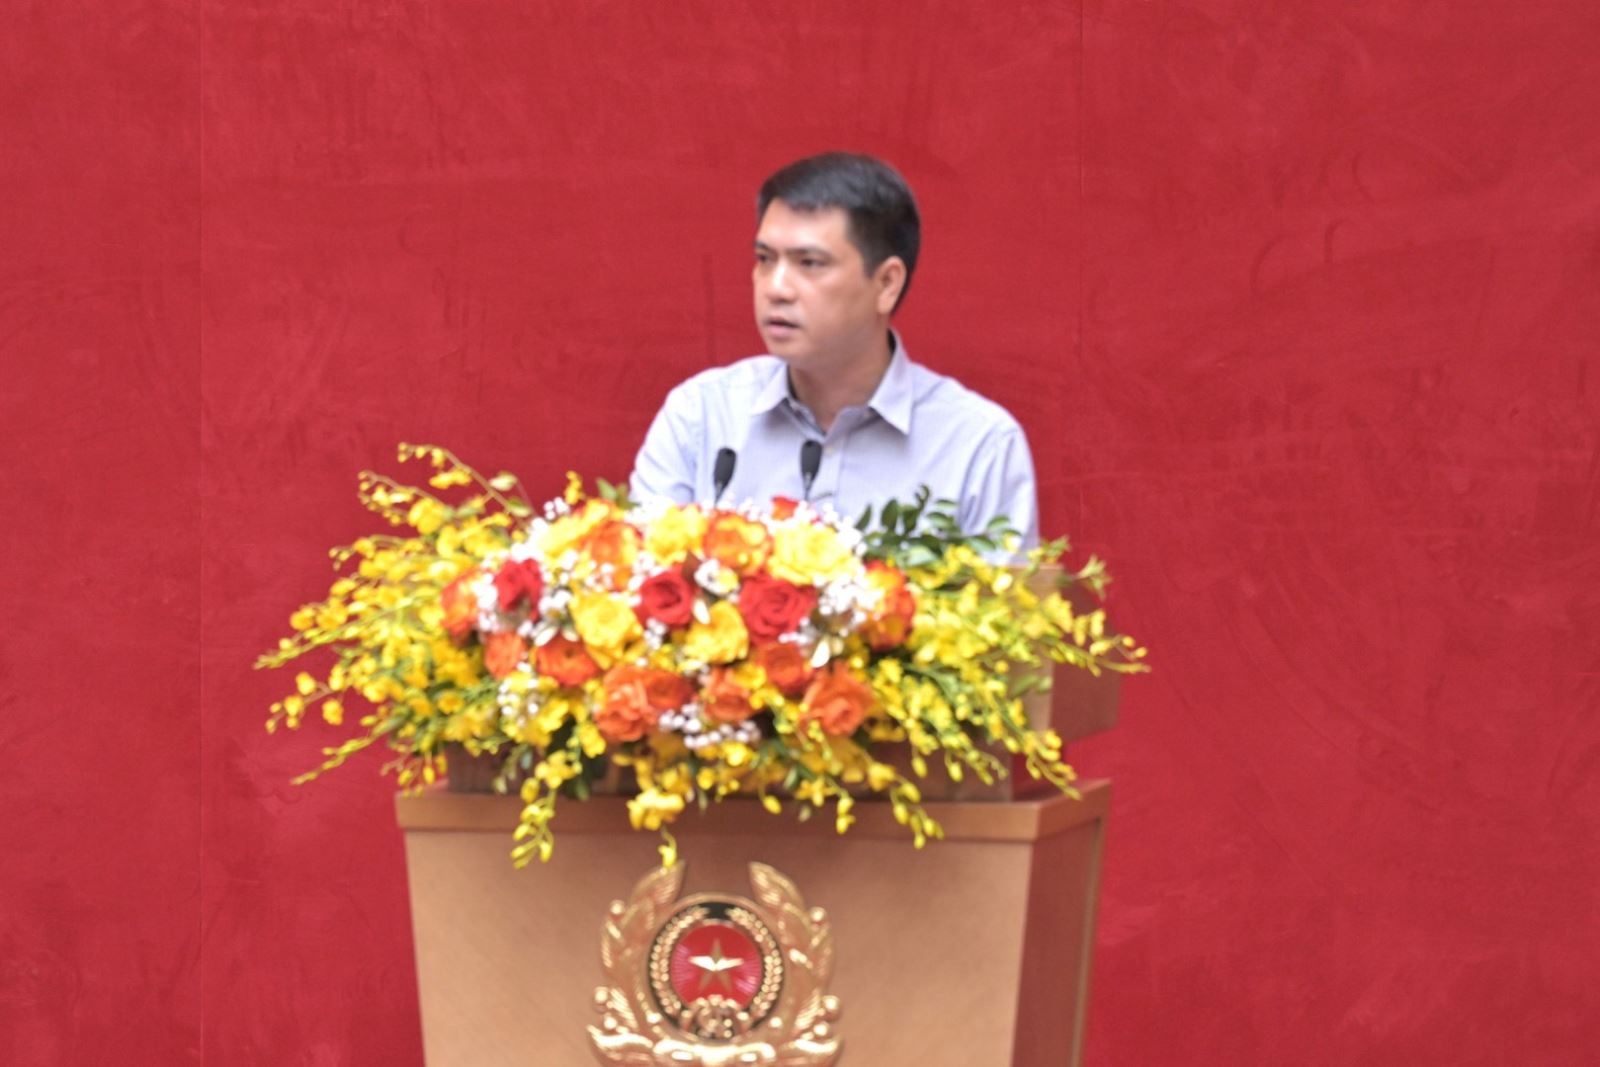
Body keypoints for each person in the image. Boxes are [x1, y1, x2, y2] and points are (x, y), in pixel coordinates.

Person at [629, 152, 1038, 548]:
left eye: (809, 263)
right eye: (765, 259)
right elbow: (638, 579)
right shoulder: (702, 416)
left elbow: (1005, 596)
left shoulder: (977, 446)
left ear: (886, 284)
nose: (776, 288)